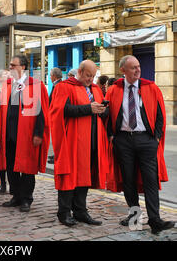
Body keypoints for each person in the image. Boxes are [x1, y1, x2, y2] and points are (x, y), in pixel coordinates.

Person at [105, 55, 174, 235]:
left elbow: (160, 115)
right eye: (133, 67)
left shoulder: (151, 88)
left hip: (146, 140)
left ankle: (155, 220)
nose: (138, 70)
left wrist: (156, 138)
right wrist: (111, 135)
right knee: (128, 181)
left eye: (138, 66)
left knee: (151, 180)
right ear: (123, 71)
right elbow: (106, 115)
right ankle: (134, 217)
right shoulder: (114, 90)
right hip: (123, 140)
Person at [49, 60, 109, 227]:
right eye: (88, 75)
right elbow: (62, 110)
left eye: (93, 76)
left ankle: (81, 211)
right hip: (72, 140)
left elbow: (102, 113)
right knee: (69, 176)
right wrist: (88, 108)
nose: (91, 79)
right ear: (80, 72)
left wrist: (104, 110)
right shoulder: (64, 87)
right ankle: (64, 212)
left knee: (85, 177)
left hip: (92, 140)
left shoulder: (95, 89)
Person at [0, 55, 50, 213]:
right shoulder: (8, 85)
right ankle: (16, 196)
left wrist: (38, 133)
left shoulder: (35, 85)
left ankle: (26, 198)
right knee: (11, 167)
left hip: (26, 134)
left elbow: (42, 112)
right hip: (9, 133)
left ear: (23, 67)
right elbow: (1, 110)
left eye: (14, 65)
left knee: (27, 168)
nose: (10, 68)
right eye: (10, 65)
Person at [0, 69, 13, 195]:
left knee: (9, 159)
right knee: (1, 158)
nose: (7, 77)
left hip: (9, 128)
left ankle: (12, 186)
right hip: (0, 127)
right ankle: (3, 184)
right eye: (5, 75)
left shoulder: (11, 89)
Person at [48, 67, 63, 164]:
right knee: (55, 138)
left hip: (57, 116)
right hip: (54, 115)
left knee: (58, 138)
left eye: (50, 75)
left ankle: (57, 156)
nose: (49, 77)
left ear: (54, 76)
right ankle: (56, 155)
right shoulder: (57, 84)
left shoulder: (59, 85)